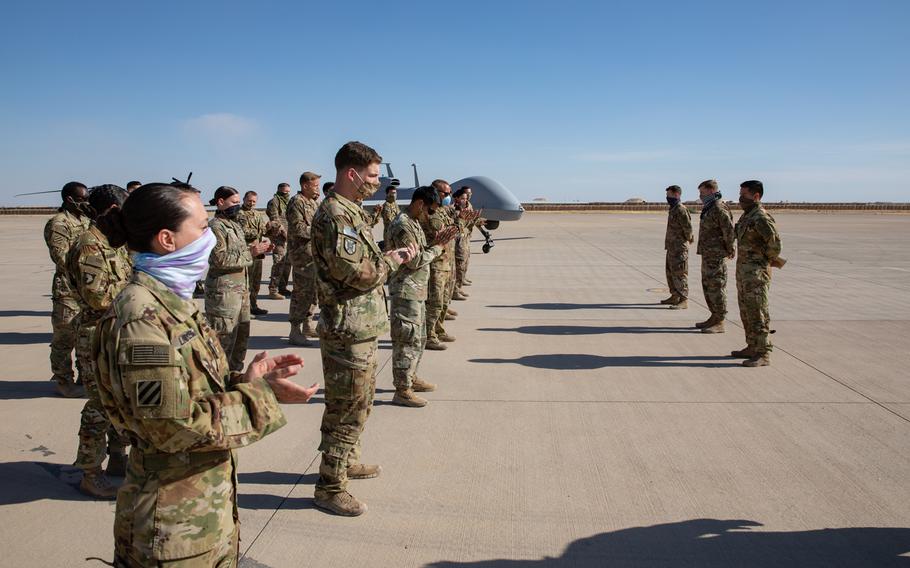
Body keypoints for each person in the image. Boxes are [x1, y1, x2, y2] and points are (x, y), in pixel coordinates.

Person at [93, 182, 318, 567]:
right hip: (173, 529)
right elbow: (173, 426)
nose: (210, 236)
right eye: (201, 227)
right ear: (167, 239)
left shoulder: (172, 303)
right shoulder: (141, 319)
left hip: (201, 512)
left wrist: (247, 380)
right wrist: (260, 397)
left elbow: (191, 389)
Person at [311, 141, 416, 516]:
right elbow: (357, 273)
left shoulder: (351, 211)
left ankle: (347, 460)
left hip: (362, 326)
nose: (377, 181)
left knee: (360, 403)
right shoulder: (335, 216)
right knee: (345, 409)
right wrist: (391, 260)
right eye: (372, 175)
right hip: (347, 330)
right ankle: (330, 486)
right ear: (352, 174)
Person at [66, 184, 132, 499]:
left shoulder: (114, 244)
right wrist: (138, 296)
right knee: (100, 406)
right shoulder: (88, 246)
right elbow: (99, 297)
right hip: (96, 335)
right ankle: (90, 471)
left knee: (122, 402)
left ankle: (118, 458)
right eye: (121, 211)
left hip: (119, 331)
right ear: (107, 211)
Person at [386, 186, 458, 407]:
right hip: (405, 290)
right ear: (419, 204)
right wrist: (438, 247)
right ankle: (402, 389)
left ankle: (411, 377)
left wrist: (434, 244)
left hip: (417, 289)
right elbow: (414, 261)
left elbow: (421, 251)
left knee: (418, 338)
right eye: (429, 210)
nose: (430, 215)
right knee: (406, 339)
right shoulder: (402, 226)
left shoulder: (414, 222)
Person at [206, 186, 273, 375]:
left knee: (241, 339)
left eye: (237, 202)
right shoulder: (215, 227)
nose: (237, 206)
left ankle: (234, 377)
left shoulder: (234, 225)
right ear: (220, 202)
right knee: (222, 342)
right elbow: (218, 259)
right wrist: (251, 252)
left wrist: (259, 250)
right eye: (234, 202)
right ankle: (219, 383)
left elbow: (241, 253)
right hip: (224, 295)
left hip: (240, 292)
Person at [44, 181, 91, 397]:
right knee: (65, 338)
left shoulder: (85, 220)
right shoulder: (59, 224)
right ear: (69, 199)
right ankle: (63, 380)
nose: (86, 203)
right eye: (82, 199)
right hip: (67, 290)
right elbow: (60, 257)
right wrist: (90, 264)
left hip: (86, 289)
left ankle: (85, 376)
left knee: (85, 337)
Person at [733, 180, 785, 367]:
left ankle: (763, 353)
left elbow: (775, 246)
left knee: (759, 313)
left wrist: (762, 262)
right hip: (744, 272)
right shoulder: (747, 216)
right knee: (746, 311)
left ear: (756, 196)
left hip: (756, 274)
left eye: (744, 194)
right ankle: (752, 346)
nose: (740, 198)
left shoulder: (761, 217)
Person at [694, 180, 735, 333]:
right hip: (708, 254)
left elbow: (729, 231)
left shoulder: (719, 208)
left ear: (711, 191)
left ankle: (720, 321)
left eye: (702, 192)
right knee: (708, 287)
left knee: (717, 287)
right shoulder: (709, 207)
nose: (700, 195)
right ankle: (714, 316)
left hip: (716, 255)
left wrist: (730, 249)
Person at [422, 180, 458, 349]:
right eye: (445, 193)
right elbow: (440, 233)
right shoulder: (429, 213)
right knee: (434, 303)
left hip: (445, 261)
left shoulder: (441, 211)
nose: (448, 197)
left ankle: (438, 329)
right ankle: (429, 335)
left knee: (443, 301)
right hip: (435, 263)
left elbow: (449, 231)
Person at [286, 171, 321, 345]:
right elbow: (298, 228)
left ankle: (308, 325)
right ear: (305, 185)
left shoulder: (313, 203)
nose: (318, 189)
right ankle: (295, 331)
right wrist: (320, 233)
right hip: (301, 256)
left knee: (313, 293)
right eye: (315, 185)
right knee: (301, 293)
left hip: (313, 255)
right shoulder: (296, 202)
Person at [237, 190, 270, 316]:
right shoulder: (239, 214)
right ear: (244, 199)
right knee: (247, 281)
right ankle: (243, 308)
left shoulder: (257, 214)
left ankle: (253, 305)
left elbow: (263, 229)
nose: (251, 203)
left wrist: (271, 228)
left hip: (258, 252)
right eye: (249, 200)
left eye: (254, 201)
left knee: (256, 280)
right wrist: (259, 232)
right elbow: (243, 231)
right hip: (247, 252)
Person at [661, 185, 693, 309]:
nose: (667, 198)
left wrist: (685, 242)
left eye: (669, 195)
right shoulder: (673, 209)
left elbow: (688, 229)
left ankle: (683, 299)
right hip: (671, 247)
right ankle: (675, 295)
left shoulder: (681, 209)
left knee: (680, 273)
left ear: (677, 195)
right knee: (670, 273)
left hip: (679, 248)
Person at [265, 183, 292, 299]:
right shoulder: (274, 202)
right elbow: (275, 220)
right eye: (284, 192)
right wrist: (284, 233)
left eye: (288, 192)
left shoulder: (289, 202)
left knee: (287, 264)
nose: (286, 195)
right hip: (279, 237)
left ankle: (283, 288)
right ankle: (273, 290)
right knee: (279, 263)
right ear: (278, 191)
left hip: (289, 237)